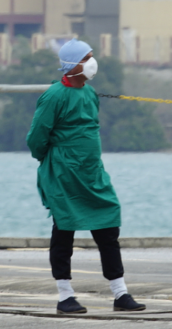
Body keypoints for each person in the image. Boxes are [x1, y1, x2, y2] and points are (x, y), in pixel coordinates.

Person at [25, 39, 146, 314]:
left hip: (92, 173)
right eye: (87, 57)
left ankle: (120, 293)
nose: (93, 62)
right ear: (72, 65)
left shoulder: (90, 94)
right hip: (64, 174)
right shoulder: (54, 96)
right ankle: (65, 295)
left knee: (108, 226)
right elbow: (36, 138)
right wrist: (56, 160)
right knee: (64, 230)